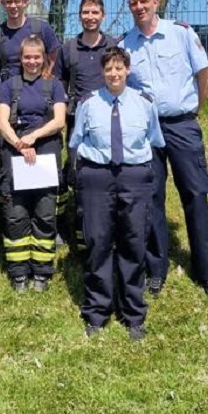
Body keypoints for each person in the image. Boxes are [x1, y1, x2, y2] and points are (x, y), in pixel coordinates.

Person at [120, 0, 208, 302]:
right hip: (147, 131)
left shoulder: (180, 33)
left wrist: (195, 109)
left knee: (195, 194)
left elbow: (204, 74)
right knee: (151, 198)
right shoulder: (125, 45)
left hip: (182, 125)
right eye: (133, 3)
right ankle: (156, 270)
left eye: (144, 1)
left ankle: (207, 274)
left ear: (156, 2)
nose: (139, 7)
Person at [70, 47, 164, 340]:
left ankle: (133, 314)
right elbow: (76, 141)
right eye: (108, 69)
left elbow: (154, 141)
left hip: (134, 177)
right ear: (102, 72)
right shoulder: (88, 103)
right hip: (97, 177)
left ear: (128, 70)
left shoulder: (145, 103)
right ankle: (97, 312)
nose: (114, 73)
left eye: (119, 68)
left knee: (133, 242)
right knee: (98, 243)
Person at [0, 35, 67, 292]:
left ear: (44, 58)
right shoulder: (8, 86)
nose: (32, 61)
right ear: (20, 58)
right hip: (15, 151)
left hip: (45, 151)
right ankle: (18, 272)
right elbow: (2, 121)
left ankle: (42, 272)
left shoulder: (54, 85)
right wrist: (19, 144)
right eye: (27, 57)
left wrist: (33, 137)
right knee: (16, 213)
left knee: (44, 213)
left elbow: (59, 121)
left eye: (37, 57)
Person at [57, 0, 120, 245]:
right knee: (77, 174)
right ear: (79, 15)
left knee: (107, 174)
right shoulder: (68, 48)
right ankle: (77, 232)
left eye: (95, 12)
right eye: (86, 12)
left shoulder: (114, 46)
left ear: (102, 16)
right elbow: (60, 86)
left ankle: (107, 231)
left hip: (108, 122)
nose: (90, 17)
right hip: (77, 121)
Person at [0, 0, 61, 81]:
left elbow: (55, 57)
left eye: (17, 1)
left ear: (25, 2)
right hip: (8, 92)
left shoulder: (42, 29)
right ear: (2, 4)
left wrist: (48, 78)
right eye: (9, 2)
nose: (13, 6)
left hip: (38, 91)